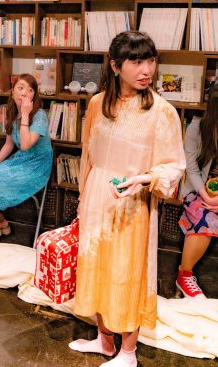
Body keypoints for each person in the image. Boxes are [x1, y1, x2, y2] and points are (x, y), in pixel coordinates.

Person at [69, 31, 186, 367]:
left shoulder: (162, 111)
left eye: (150, 60)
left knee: (127, 273)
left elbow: (174, 165)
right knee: (97, 268)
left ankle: (129, 352)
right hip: (97, 198)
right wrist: (83, 198)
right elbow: (88, 154)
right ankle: (105, 341)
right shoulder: (97, 103)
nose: (146, 69)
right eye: (136, 62)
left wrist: (144, 179)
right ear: (115, 66)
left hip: (133, 203)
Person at [0, 73, 52, 241]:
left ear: (34, 96)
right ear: (13, 91)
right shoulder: (12, 112)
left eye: (30, 90)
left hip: (37, 166)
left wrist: (26, 114)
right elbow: (9, 144)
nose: (24, 93)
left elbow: (26, 144)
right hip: (20, 160)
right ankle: (0, 221)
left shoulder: (39, 116)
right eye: (20, 88)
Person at [176, 83, 218, 298]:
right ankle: (184, 275)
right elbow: (191, 168)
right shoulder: (197, 127)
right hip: (199, 188)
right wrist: (208, 199)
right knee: (207, 219)